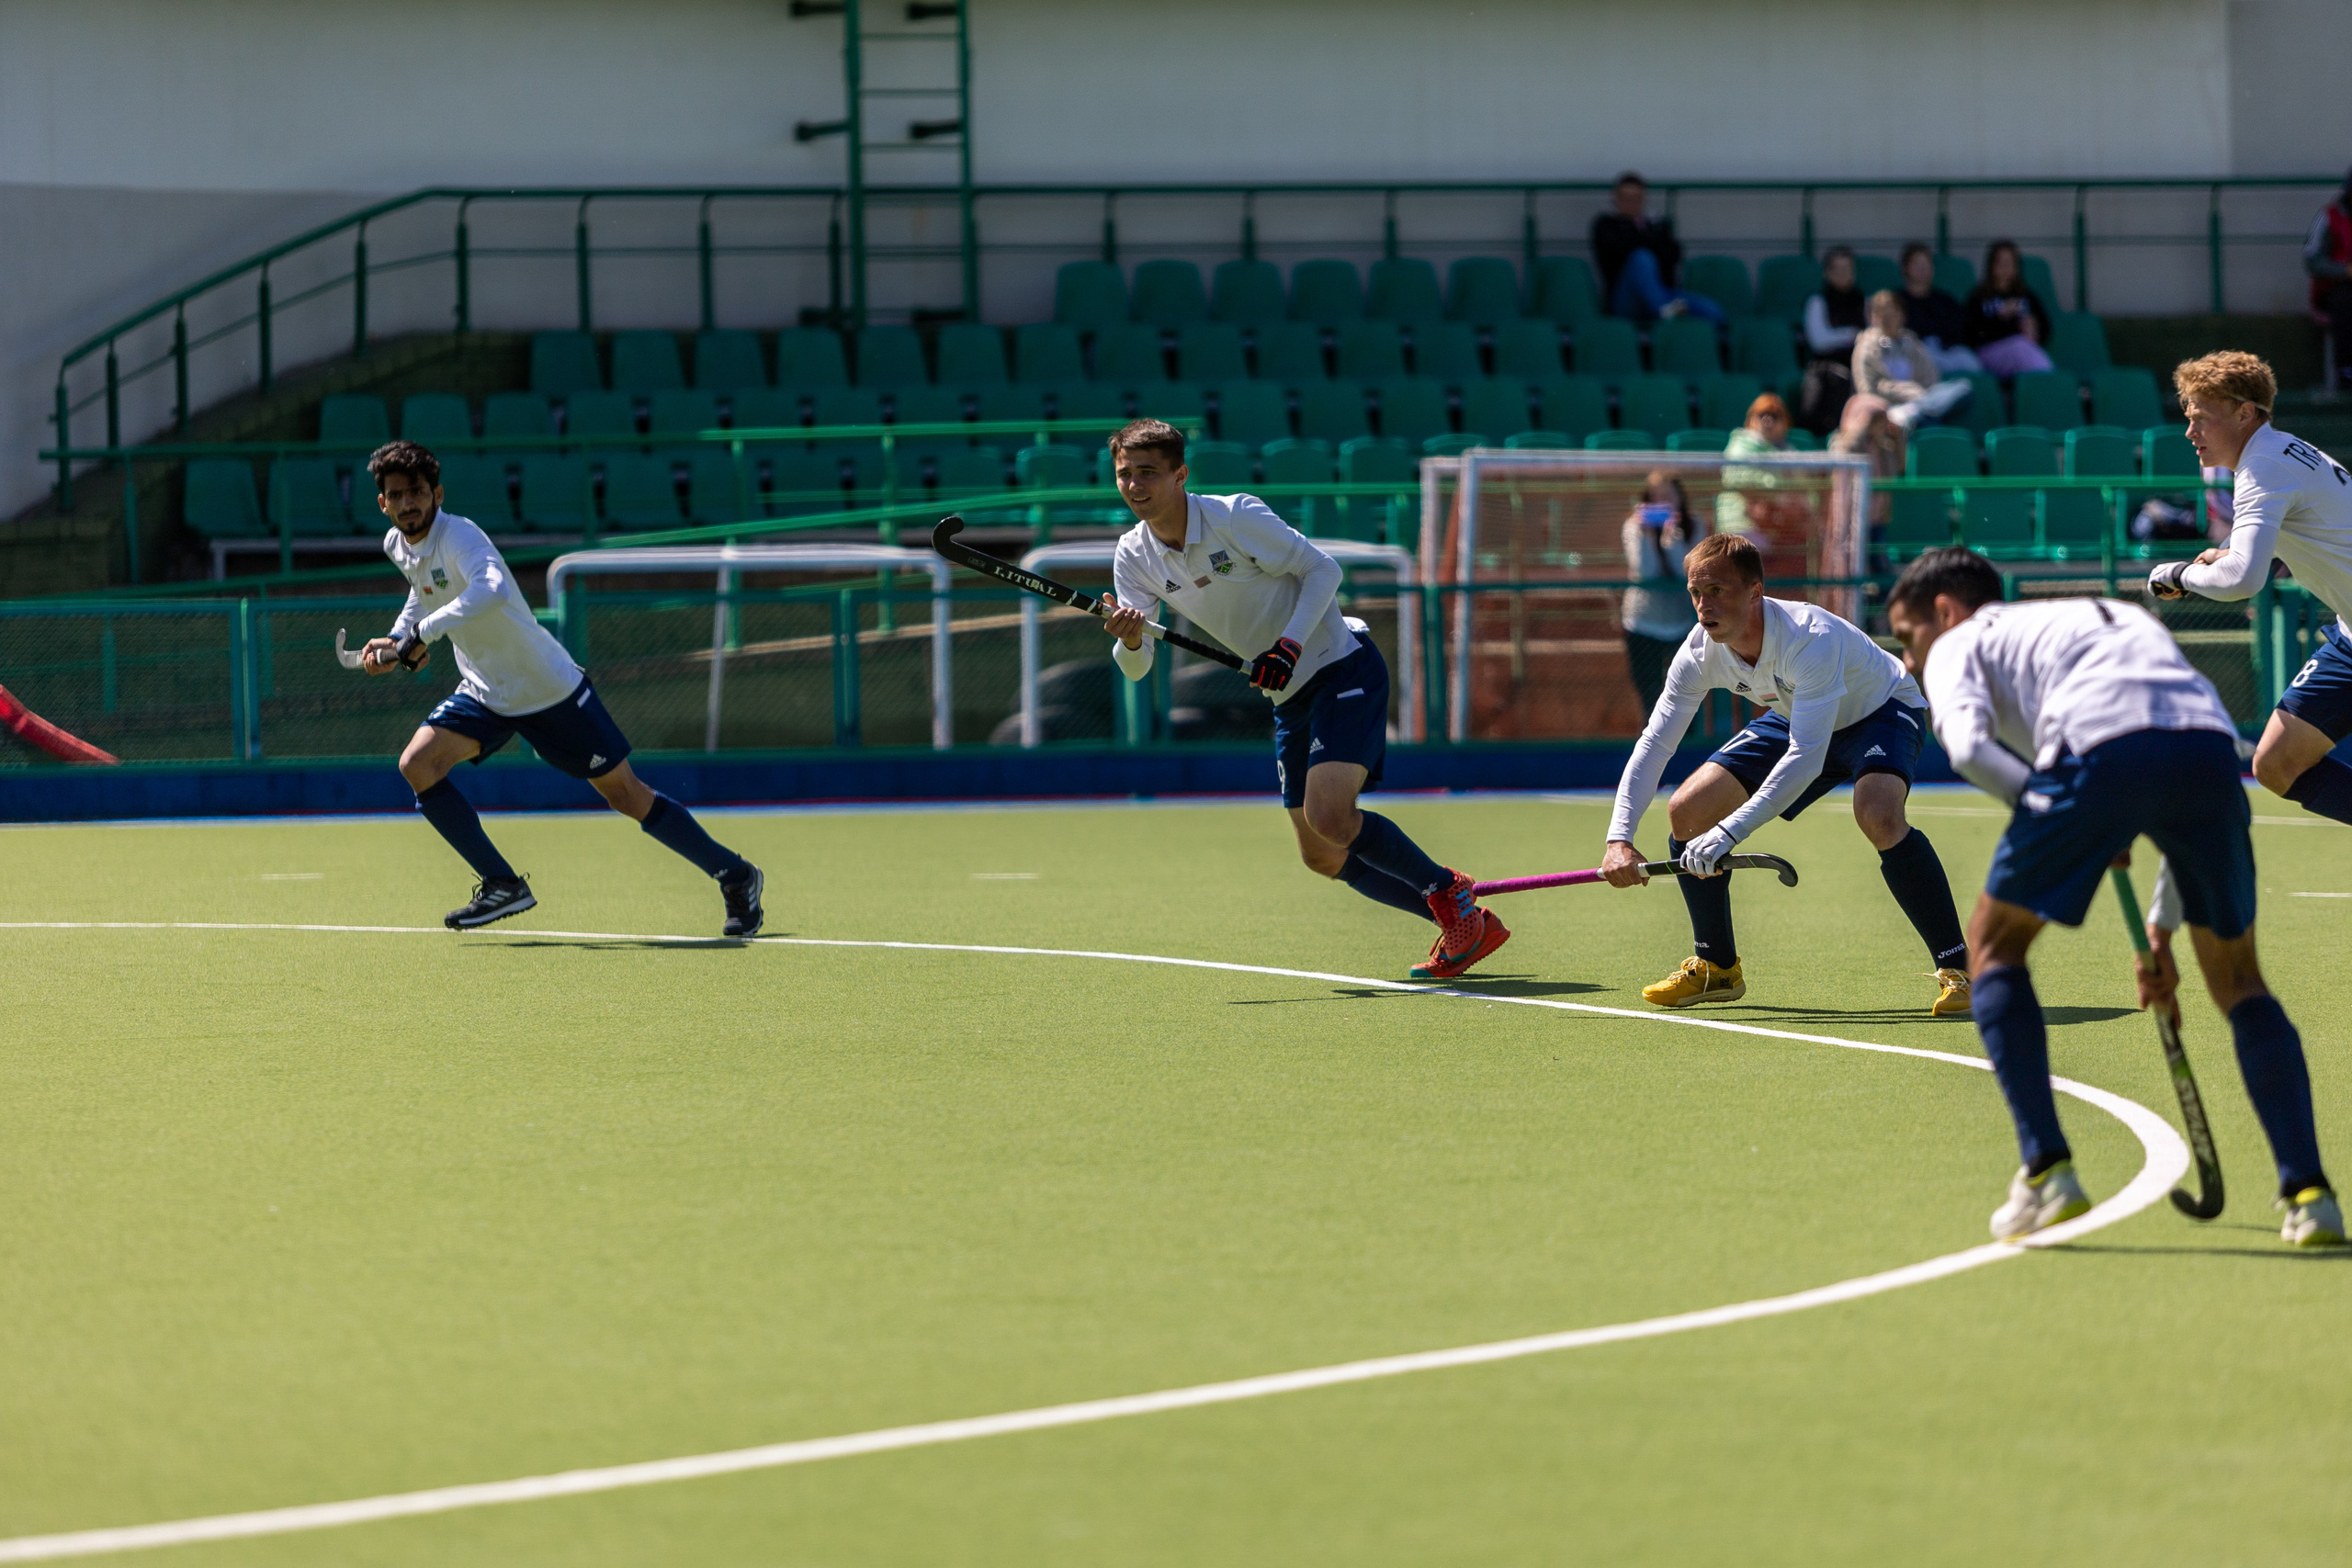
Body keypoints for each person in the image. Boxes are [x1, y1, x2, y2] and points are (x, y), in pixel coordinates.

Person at [1887, 545, 2342, 1247]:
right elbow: (2174, 756)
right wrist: (2159, 935)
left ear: (1943, 611)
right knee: (2240, 980)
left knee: (1992, 945)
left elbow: (1972, 749)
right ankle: (2310, 1194)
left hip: (2097, 748)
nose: (1911, 661)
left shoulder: (1960, 642)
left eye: (1909, 638)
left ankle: (2047, 1170)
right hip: (2209, 754)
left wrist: (2052, 807)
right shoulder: (2101, 619)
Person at [1097, 419, 1507, 981]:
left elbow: (1323, 569)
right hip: (1285, 692)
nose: (1135, 485)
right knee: (1321, 853)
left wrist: (1288, 646)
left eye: (1148, 473)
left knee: (1329, 815)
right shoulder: (1133, 555)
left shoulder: (1234, 516)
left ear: (1180, 475)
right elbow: (1137, 669)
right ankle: (1465, 922)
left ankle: (1447, 890)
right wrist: (1131, 638)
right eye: (1125, 475)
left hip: (1340, 665)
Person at [356, 440, 765, 935]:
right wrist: (400, 636)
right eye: (396, 495)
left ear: (437, 493)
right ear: (383, 503)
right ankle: (502, 884)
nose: (407, 503)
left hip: (547, 687)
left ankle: (735, 875)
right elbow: (423, 594)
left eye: (417, 492)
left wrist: (423, 634)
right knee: (417, 764)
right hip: (486, 690)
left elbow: (492, 590)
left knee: (625, 795)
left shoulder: (460, 536)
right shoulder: (397, 544)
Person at [1600, 533, 1971, 1014]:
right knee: (1688, 811)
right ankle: (1717, 968)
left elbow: (1806, 757)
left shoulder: (1808, 639)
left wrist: (1730, 831)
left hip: (1877, 708)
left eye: (1717, 591)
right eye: (1695, 592)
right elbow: (1655, 744)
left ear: (1755, 592)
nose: (1702, 605)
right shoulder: (1697, 651)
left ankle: (1961, 968)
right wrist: (1618, 838)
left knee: (1877, 812)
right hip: (1799, 711)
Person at [2148, 351, 2352, 827]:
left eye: (2200, 418)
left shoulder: (2262, 468)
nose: (2189, 432)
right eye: (2188, 418)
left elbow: (2242, 579)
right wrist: (2230, 555)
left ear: (2244, 413)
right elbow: (2310, 532)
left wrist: (2178, 575)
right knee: (2277, 764)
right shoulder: (2272, 452)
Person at [1589, 171, 1724, 324]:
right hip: (1626, 300)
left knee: (1713, 310)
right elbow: (1621, 252)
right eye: (1624, 198)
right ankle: (1663, 311)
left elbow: (1673, 254)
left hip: (1661, 294)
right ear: (1615, 198)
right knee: (1641, 258)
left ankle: (1665, 312)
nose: (1629, 202)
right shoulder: (1605, 225)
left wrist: (1646, 231)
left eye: (1635, 198)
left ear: (1643, 199)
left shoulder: (1656, 224)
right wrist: (1646, 235)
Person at [1621, 471, 1705, 712]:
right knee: (1651, 701)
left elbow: (1689, 574)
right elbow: (1645, 573)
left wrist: (1672, 540)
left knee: (1684, 699)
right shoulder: (1633, 527)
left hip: (1683, 624)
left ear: (1680, 498)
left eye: (1668, 496)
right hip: (1642, 624)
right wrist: (1646, 535)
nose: (1662, 502)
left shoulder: (1695, 525)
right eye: (1656, 497)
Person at [1852, 289, 1972, 430]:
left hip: (1921, 401)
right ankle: (1917, 417)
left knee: (1963, 387)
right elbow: (1867, 389)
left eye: (1892, 312)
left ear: (1902, 315)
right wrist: (1905, 392)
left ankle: (1916, 414)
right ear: (1873, 317)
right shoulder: (1868, 346)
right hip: (1889, 407)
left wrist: (1918, 399)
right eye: (1882, 314)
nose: (1887, 319)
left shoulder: (1911, 342)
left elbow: (1931, 380)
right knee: (1932, 418)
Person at [1715, 393, 1807, 543]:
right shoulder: (1740, 446)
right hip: (1738, 528)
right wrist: (1781, 496)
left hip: (1778, 525)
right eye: (1761, 414)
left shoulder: (1789, 451)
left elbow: (1804, 491)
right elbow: (1743, 483)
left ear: (1786, 422)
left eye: (1775, 416)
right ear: (1750, 419)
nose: (1767, 420)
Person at [1962, 240, 2053, 378]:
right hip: (1988, 354)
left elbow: (2046, 329)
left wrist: (2035, 331)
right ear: (1991, 265)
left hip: (2023, 353)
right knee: (2020, 346)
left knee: (2022, 347)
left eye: (2009, 262)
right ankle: (2051, 383)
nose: (2005, 267)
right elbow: (1970, 335)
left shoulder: (2026, 295)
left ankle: (2045, 388)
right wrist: (2000, 317)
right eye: (2000, 262)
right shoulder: (1979, 296)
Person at [1798, 247, 1864, 434]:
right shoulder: (1817, 302)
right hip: (1827, 374)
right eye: (1838, 269)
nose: (1844, 275)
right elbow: (1819, 341)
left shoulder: (1865, 302)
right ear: (1827, 273)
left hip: (1861, 370)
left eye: (1848, 269)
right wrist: (1853, 335)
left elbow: (1880, 339)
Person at [1896, 242, 1980, 376]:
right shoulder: (1896, 301)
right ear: (1905, 268)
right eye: (1917, 264)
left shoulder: (1945, 300)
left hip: (1946, 351)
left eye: (1926, 264)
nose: (1922, 269)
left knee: (1968, 360)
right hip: (1914, 353)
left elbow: (1958, 329)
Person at [2301, 169, 2352, 390]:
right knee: (2346, 304)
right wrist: (2344, 271)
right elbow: (2311, 258)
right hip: (2335, 289)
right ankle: (2346, 373)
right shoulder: (2330, 216)